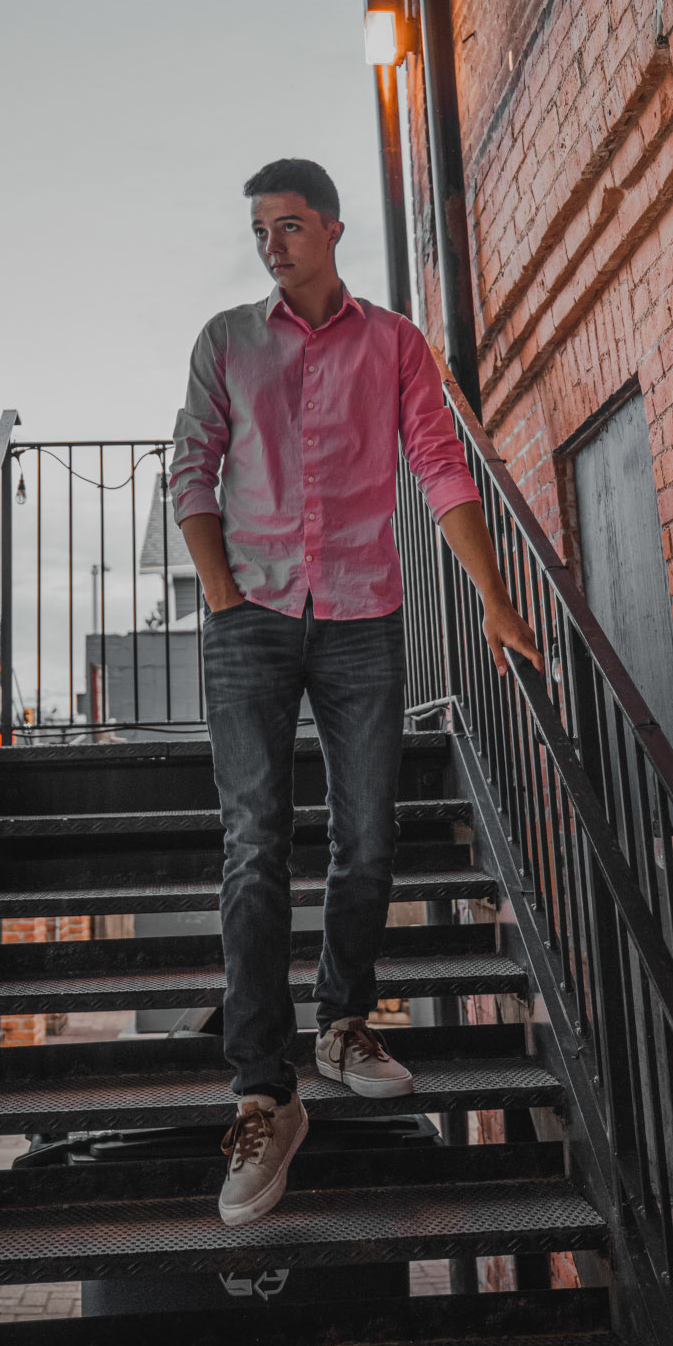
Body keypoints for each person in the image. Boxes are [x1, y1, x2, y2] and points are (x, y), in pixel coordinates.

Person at [169, 157, 543, 1229]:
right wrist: (223, 592)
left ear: (333, 230)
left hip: (363, 616)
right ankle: (263, 1090)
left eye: (289, 225)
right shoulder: (226, 340)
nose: (271, 245)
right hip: (249, 618)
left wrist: (493, 599)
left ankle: (340, 1023)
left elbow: (440, 464)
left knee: (368, 835)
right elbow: (191, 464)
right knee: (254, 841)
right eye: (259, 230)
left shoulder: (394, 344)